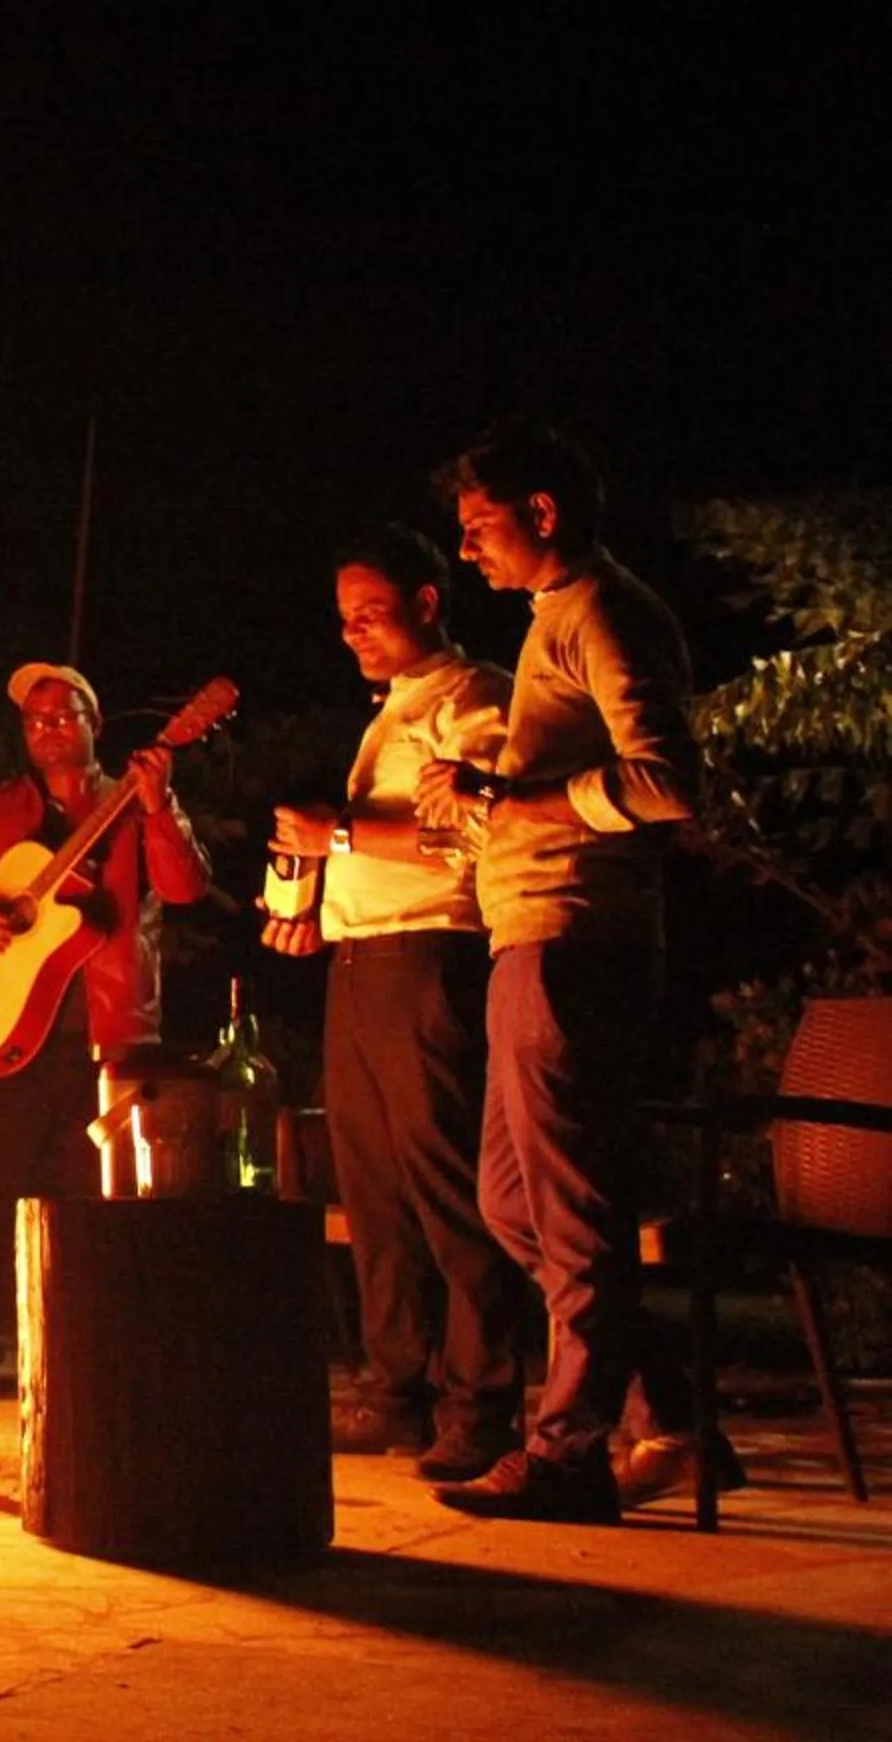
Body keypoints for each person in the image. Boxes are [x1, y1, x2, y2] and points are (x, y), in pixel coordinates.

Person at [416, 422, 728, 1521]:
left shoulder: (603, 608)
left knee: (572, 1207)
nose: (468, 551)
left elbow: (667, 779)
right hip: (525, 934)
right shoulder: (559, 620)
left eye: (479, 525)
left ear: (541, 511)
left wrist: (519, 801)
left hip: (573, 935)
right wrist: (482, 789)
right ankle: (669, 1412)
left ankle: (567, 1452)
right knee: (512, 1202)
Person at [261, 526, 532, 1482]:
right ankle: (398, 1389)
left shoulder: (475, 698)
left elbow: (463, 831)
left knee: (446, 1186)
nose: (355, 635)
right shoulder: (393, 712)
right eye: (344, 621)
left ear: (428, 602)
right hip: (363, 960)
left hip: (432, 957)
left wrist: (335, 835)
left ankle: (483, 1401)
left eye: (371, 614)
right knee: (374, 1192)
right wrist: (310, 903)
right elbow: (361, 845)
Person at [0, 662, 211, 1393]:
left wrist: (161, 806)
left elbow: (184, 885)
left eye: (62, 715)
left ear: (95, 725)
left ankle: (87, 1361)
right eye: (34, 720)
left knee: (97, 1205)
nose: (46, 729)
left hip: (107, 1032)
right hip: (6, 1029)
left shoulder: (137, 802)